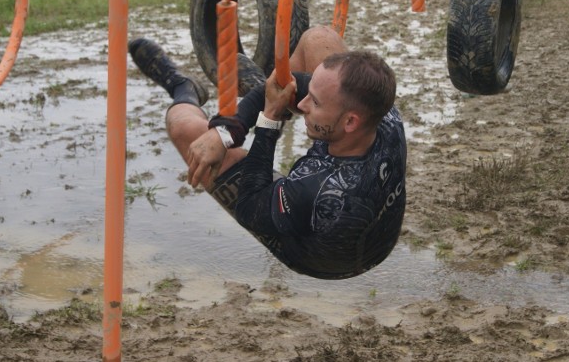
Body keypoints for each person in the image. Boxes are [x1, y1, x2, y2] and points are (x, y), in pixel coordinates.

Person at [128, 26, 406, 280]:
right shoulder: (382, 113)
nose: (305, 103)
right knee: (319, 38)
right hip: (370, 230)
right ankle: (267, 93)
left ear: (350, 122)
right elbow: (296, 81)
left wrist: (270, 119)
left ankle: (182, 88)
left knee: (187, 133)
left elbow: (250, 207)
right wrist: (228, 131)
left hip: (318, 257)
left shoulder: (312, 190)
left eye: (315, 102)